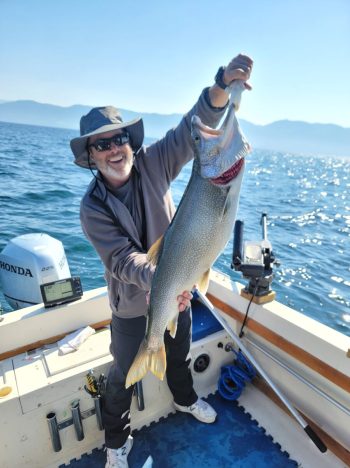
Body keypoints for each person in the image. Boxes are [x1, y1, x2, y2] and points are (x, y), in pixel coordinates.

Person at [70, 53, 253, 468]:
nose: (115, 149)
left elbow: (191, 128)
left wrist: (222, 85)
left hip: (180, 289)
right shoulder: (92, 207)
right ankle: (117, 440)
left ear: (129, 142)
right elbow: (121, 260)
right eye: (103, 144)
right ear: (92, 156)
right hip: (133, 309)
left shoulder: (153, 163)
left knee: (179, 352)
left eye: (119, 139)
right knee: (121, 376)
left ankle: (185, 398)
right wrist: (162, 278)